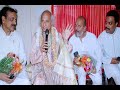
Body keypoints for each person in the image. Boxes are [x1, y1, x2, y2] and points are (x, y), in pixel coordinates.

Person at [29, 10, 77, 85]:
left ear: (51, 22)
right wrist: (40, 51)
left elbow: (68, 50)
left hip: (56, 69)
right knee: (39, 81)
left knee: (67, 80)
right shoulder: (36, 37)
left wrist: (65, 40)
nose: (44, 24)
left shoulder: (58, 36)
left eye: (47, 21)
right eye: (42, 21)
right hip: (41, 70)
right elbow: (32, 59)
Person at [62, 16, 102, 85]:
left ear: (84, 28)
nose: (76, 28)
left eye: (79, 26)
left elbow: (99, 54)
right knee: (81, 71)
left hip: (92, 65)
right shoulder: (72, 39)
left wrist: (96, 68)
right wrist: (74, 61)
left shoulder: (92, 37)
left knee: (98, 80)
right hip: (78, 67)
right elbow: (68, 57)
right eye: (76, 25)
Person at [0, 6, 31, 85]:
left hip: (16, 76)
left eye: (15, 20)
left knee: (26, 82)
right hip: (1, 77)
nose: (15, 23)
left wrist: (15, 70)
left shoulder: (18, 36)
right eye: (12, 19)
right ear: (3, 19)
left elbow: (23, 59)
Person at [98, 10, 120, 85]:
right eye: (106, 22)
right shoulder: (101, 37)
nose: (106, 25)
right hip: (109, 63)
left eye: (110, 23)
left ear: (116, 24)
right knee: (117, 74)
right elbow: (98, 56)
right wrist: (110, 60)